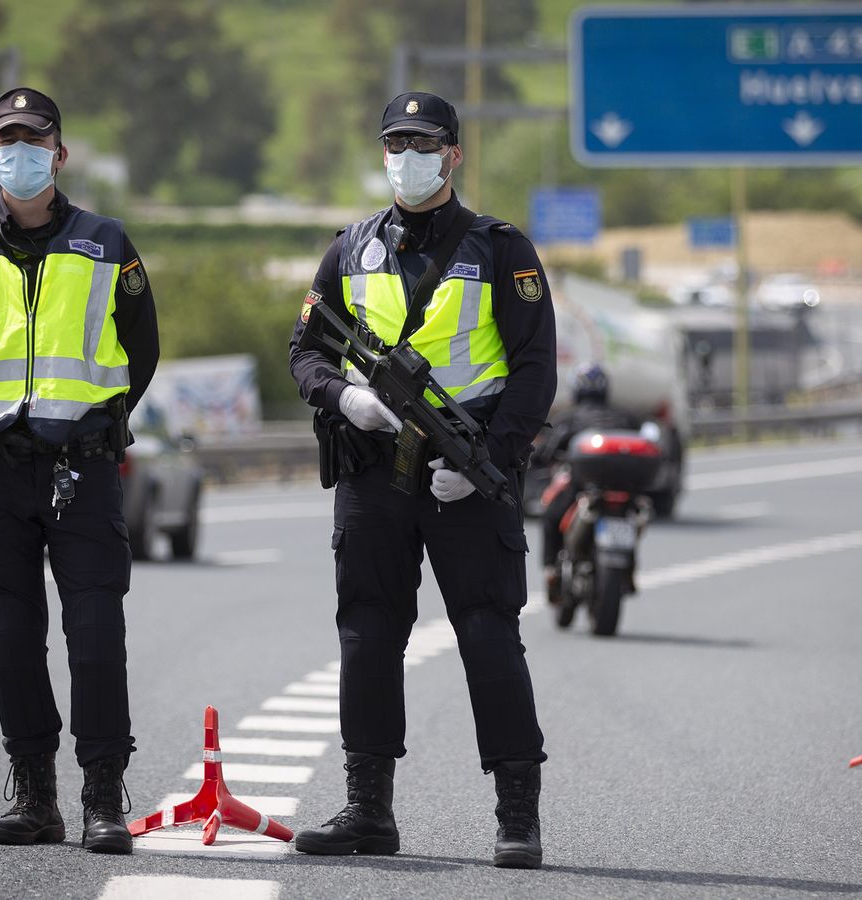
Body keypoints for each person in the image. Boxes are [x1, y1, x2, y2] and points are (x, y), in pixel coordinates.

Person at [286, 91, 556, 869]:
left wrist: (492, 463)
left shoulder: (502, 250)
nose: (407, 156)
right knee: (369, 634)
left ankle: (517, 816)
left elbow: (536, 370)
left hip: (463, 467)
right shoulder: (350, 248)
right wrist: (345, 397)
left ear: (454, 154)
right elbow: (305, 349)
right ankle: (368, 811)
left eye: (423, 142)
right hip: (374, 471)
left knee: (485, 633)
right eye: (395, 143)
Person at [0, 86, 159, 855]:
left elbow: (141, 349)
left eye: (34, 140)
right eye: (6, 140)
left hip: (80, 465)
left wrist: (93, 417)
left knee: (95, 632)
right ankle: (35, 795)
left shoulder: (106, 242)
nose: (18, 153)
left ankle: (101, 798)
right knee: (10, 635)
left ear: (58, 154)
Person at [536, 364, 643, 603]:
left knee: (550, 515)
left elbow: (544, 452)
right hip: (624, 487)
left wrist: (535, 459)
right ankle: (630, 571)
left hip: (582, 486)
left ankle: (551, 570)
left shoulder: (568, 418)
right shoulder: (626, 417)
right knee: (634, 515)